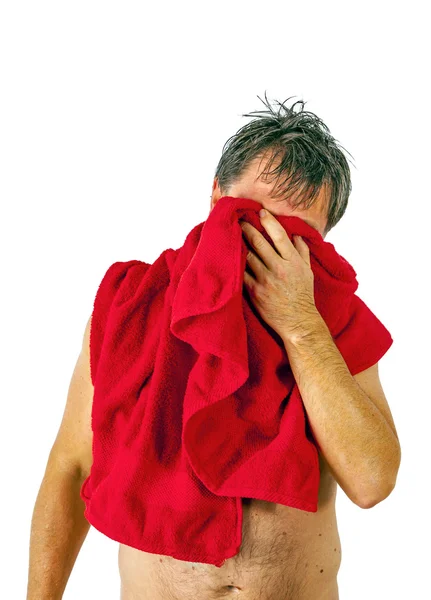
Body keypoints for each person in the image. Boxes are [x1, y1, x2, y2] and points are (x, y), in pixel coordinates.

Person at [26, 95, 401, 600]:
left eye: (294, 238)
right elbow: (71, 468)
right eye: (250, 219)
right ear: (214, 197)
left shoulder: (331, 322)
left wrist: (300, 325)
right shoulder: (128, 305)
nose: (266, 248)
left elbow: (372, 480)